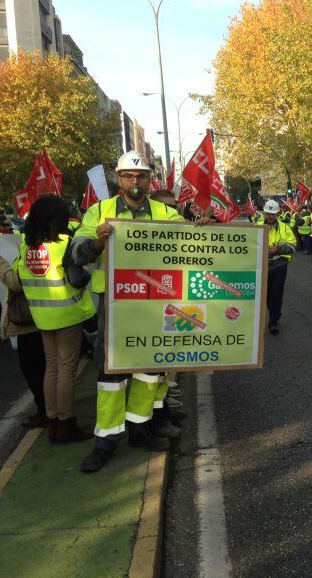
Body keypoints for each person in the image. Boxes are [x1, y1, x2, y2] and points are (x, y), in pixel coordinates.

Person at [71, 151, 196, 473]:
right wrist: (96, 243)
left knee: (148, 369)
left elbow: (192, 241)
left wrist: (204, 228)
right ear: (119, 178)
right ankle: (106, 441)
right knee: (111, 375)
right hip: (115, 305)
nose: (135, 181)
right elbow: (76, 251)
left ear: (149, 179)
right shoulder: (99, 212)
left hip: (154, 302)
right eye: (128, 175)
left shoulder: (164, 213)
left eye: (140, 176)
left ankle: (140, 430)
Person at [14, 196, 96, 442]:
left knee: (51, 368)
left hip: (41, 317)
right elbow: (77, 279)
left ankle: (53, 421)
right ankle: (67, 423)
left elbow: (19, 279)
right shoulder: (63, 245)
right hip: (67, 314)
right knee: (66, 369)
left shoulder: (25, 246)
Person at [0, 228, 48, 429]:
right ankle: (50, 411)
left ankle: (47, 412)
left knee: (35, 369)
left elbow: (16, 283)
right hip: (41, 317)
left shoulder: (31, 251)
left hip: (30, 321)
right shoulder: (43, 245)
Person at [262, 200, 296, 335]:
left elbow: (293, 247)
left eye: (273, 214)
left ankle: (273, 322)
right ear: (265, 213)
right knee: (265, 295)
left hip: (279, 265)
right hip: (262, 265)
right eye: (268, 213)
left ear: (277, 214)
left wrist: (278, 249)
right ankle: (275, 312)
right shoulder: (256, 227)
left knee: (276, 293)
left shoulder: (285, 228)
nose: (270, 216)